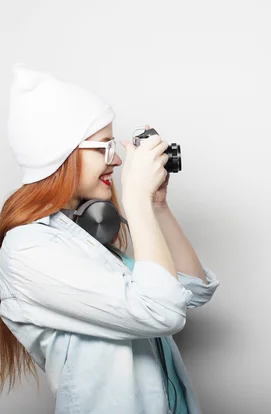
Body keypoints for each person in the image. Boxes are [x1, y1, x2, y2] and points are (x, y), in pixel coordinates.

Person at [0, 64, 219, 414]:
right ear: (61, 154)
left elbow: (192, 290)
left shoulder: (86, 237)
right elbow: (162, 312)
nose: (116, 159)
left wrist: (157, 206)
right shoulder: (26, 250)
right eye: (104, 147)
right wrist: (134, 198)